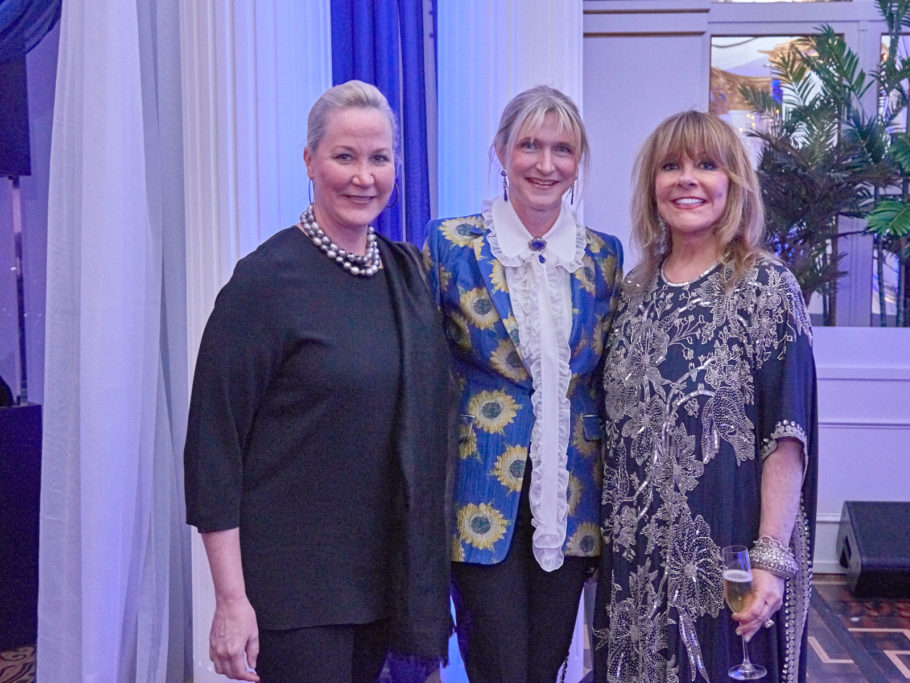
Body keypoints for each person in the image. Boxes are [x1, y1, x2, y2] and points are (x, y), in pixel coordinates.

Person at [184, 80, 451, 683]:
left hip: (384, 580)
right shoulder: (264, 284)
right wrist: (230, 601)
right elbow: (214, 447)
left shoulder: (408, 276)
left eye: (379, 158)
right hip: (294, 593)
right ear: (309, 161)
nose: (364, 176)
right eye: (345, 156)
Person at [594, 110, 817, 682]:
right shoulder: (632, 292)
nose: (686, 179)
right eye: (670, 166)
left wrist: (769, 559)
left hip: (726, 561)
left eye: (706, 165)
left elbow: (786, 438)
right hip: (633, 571)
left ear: (734, 184)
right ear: (652, 187)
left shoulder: (766, 288)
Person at [423, 85, 623, 681]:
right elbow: (422, 370)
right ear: (501, 151)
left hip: (573, 496)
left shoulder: (603, 257)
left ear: (578, 162)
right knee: (498, 668)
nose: (545, 163)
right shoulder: (451, 244)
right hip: (479, 494)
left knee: (545, 666)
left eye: (562, 149)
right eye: (529, 145)